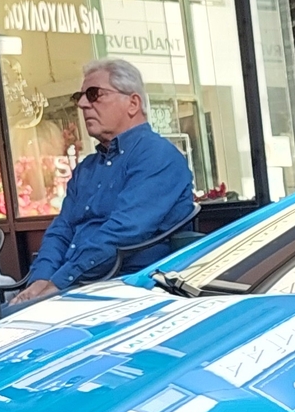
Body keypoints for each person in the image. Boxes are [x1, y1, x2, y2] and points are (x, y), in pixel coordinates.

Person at [11, 59, 193, 307]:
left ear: (133, 103)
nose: (83, 104)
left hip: (124, 293)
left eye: (94, 94)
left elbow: (123, 232)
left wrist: (57, 284)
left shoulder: (156, 156)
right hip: (77, 286)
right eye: (81, 96)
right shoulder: (87, 167)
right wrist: (39, 281)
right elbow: (62, 229)